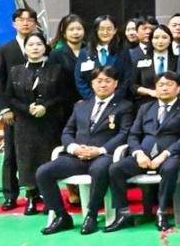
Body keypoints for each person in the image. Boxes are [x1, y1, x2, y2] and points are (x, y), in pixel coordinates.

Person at [35, 67, 133, 235]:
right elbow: (67, 131)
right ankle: (62, 216)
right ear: (92, 84)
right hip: (77, 156)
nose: (103, 85)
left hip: (104, 155)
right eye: (99, 81)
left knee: (99, 169)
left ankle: (91, 215)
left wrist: (100, 150)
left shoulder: (124, 106)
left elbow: (124, 134)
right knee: (43, 172)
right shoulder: (81, 106)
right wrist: (73, 148)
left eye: (107, 81)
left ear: (115, 84)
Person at [103, 72, 180, 232]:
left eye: (169, 85)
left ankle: (162, 212)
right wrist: (138, 153)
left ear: (178, 89)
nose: (164, 88)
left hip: (169, 155)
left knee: (170, 168)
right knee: (115, 169)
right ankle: (123, 214)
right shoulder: (145, 108)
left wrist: (164, 155)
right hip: (144, 155)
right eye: (160, 85)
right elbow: (133, 135)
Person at [8, 34, 69, 217]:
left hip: (49, 122)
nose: (35, 48)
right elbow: (10, 97)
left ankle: (49, 198)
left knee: (47, 159)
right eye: (31, 45)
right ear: (25, 49)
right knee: (27, 161)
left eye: (39, 44)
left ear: (45, 48)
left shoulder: (56, 70)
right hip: (25, 124)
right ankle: (31, 197)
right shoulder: (15, 71)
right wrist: (27, 109)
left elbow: (63, 95)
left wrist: (45, 107)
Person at [75, 14, 132, 100]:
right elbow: (79, 79)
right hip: (91, 100)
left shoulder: (122, 51)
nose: (105, 32)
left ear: (115, 30)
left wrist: (114, 97)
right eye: (101, 29)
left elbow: (127, 78)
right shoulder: (85, 52)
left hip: (117, 100)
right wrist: (92, 98)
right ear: (96, 30)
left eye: (109, 29)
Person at [130, 24, 180, 103]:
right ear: (151, 40)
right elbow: (133, 86)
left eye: (164, 37)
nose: (160, 41)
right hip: (147, 103)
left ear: (170, 40)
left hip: (173, 103)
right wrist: (150, 92)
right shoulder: (140, 60)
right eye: (156, 37)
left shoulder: (178, 60)